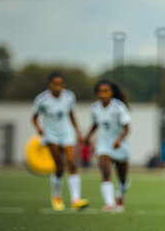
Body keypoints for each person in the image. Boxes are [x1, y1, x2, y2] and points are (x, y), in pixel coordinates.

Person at [31, 72, 88, 211]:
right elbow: (34, 117)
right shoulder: (42, 99)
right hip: (51, 135)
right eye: (55, 84)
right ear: (49, 84)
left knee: (72, 164)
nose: (58, 87)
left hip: (67, 133)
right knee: (60, 166)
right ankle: (56, 196)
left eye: (60, 84)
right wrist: (39, 128)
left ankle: (76, 200)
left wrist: (78, 132)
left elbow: (71, 114)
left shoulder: (69, 97)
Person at [84, 80, 131, 213]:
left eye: (106, 91)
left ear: (112, 92)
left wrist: (119, 140)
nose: (103, 94)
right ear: (97, 93)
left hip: (120, 146)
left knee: (122, 179)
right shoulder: (94, 108)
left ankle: (120, 195)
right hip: (104, 145)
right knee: (105, 172)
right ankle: (109, 203)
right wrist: (87, 136)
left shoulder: (119, 107)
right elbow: (95, 124)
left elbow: (127, 128)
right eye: (101, 91)